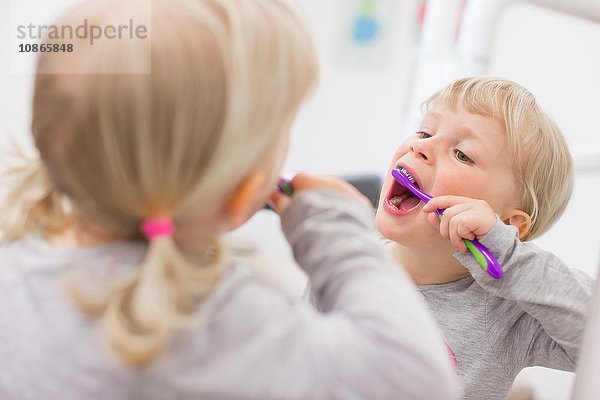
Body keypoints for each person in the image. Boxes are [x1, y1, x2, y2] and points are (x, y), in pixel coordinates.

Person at [0, 0, 459, 399]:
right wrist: (342, 237)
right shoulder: (219, 323)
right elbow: (417, 381)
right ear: (243, 194)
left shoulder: (15, 274)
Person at [375, 76, 593, 399]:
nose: (420, 146)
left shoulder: (507, 314)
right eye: (425, 132)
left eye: (462, 154)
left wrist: (509, 256)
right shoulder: (344, 260)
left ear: (505, 223)